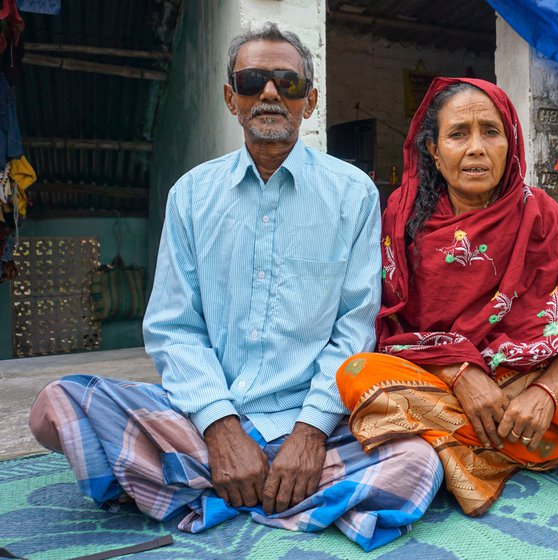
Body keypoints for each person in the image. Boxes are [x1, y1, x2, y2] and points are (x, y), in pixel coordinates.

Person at [28, 23, 441, 552]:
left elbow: (355, 325)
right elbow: (174, 327)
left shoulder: (353, 194)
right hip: (204, 416)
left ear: (309, 101)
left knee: (417, 461)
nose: (270, 93)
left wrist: (311, 433)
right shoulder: (191, 196)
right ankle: (274, 491)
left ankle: (212, 490)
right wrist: (220, 427)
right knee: (54, 408)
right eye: (253, 81)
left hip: (315, 421)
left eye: (287, 83)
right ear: (231, 98)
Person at [336, 77, 558, 517]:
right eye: (458, 134)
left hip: (541, 375)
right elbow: (390, 325)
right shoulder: (401, 217)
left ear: (510, 143)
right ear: (433, 151)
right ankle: (557, 447)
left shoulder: (540, 211)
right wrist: (461, 374)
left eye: (491, 132)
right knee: (361, 374)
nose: (476, 148)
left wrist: (547, 390)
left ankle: (515, 442)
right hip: (449, 384)